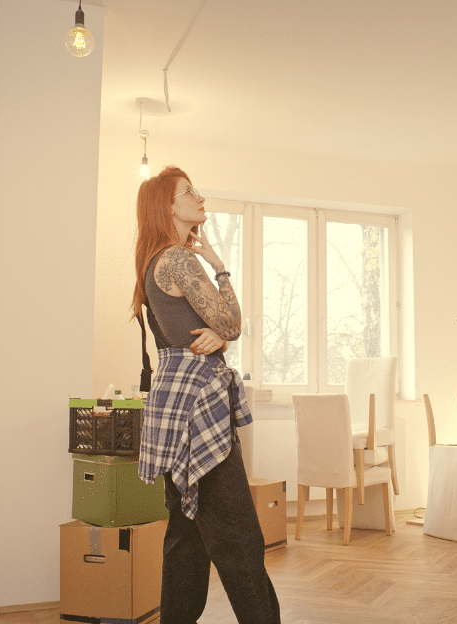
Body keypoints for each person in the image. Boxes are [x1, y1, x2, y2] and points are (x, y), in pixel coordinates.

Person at [133, 166, 281, 624]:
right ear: (167, 206)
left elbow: (198, 332)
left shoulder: (153, 260)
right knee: (238, 537)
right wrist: (219, 266)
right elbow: (231, 322)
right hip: (198, 407)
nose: (200, 197)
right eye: (187, 191)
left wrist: (222, 337)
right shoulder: (178, 259)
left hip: (173, 405)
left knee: (186, 538)